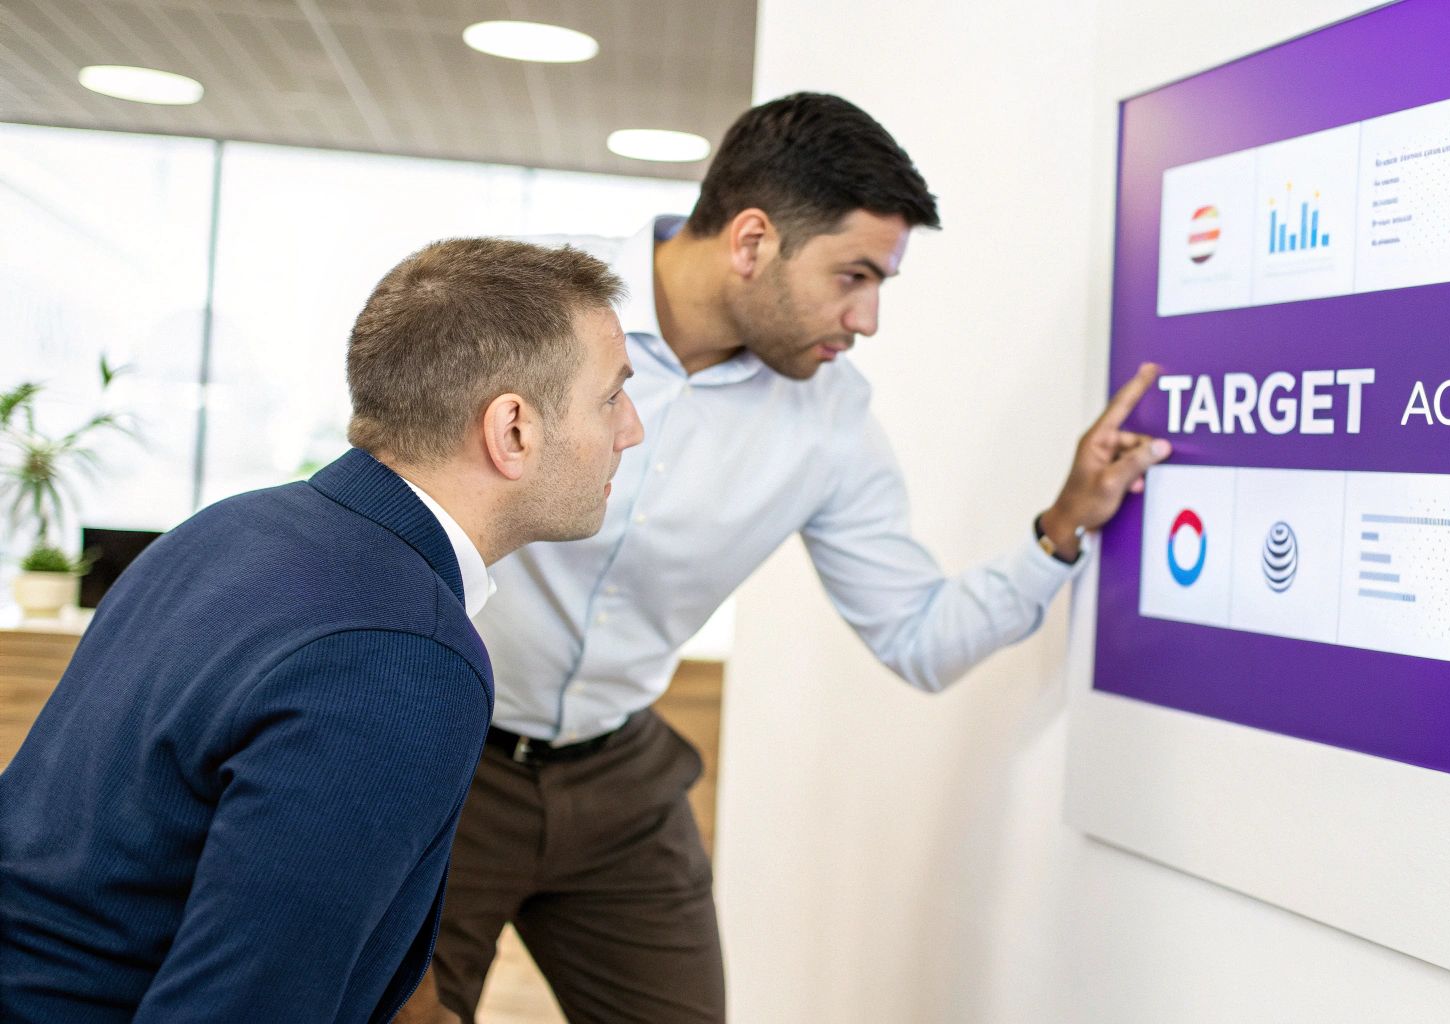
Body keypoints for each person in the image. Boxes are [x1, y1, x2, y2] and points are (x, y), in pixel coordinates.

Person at [416, 93, 1167, 1024]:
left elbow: (919, 637)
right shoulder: (525, 306)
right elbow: (391, 516)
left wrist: (1063, 526)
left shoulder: (831, 421)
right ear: (752, 241)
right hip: (448, 758)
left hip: (619, 778)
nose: (868, 318)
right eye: (855, 275)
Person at [0, 238, 644, 1023]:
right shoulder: (401, 655)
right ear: (513, 429)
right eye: (612, 397)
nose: (632, 430)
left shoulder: (226, 528)